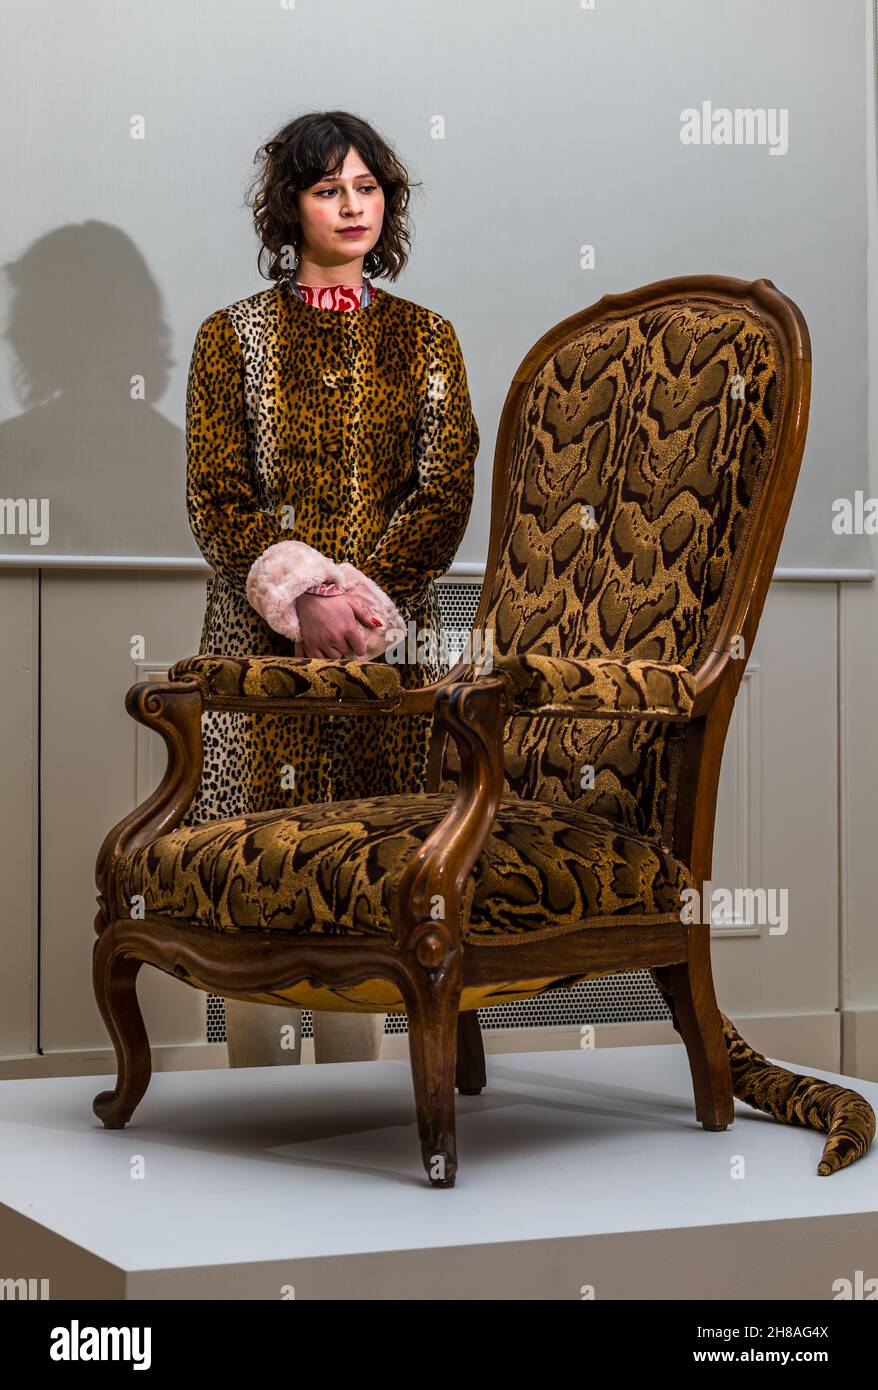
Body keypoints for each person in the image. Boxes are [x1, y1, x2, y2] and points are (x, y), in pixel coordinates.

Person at [179, 110, 479, 1067]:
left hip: (385, 664)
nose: (351, 205)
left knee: (369, 881)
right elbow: (218, 496)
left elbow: (445, 492)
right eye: (326, 188)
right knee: (256, 882)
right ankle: (253, 1114)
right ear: (290, 207)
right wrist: (298, 592)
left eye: (366, 186)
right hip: (257, 664)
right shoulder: (232, 339)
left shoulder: (430, 340)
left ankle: (350, 1117)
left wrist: (358, 604)